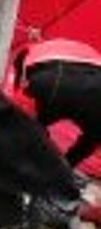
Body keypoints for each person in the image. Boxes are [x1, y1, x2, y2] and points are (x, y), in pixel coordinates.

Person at [8, 40, 101, 177]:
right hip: (61, 85)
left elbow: (23, 58)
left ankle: (12, 159)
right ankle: (43, 172)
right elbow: (85, 146)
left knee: (31, 129)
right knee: (33, 132)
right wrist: (64, 169)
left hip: (49, 76)